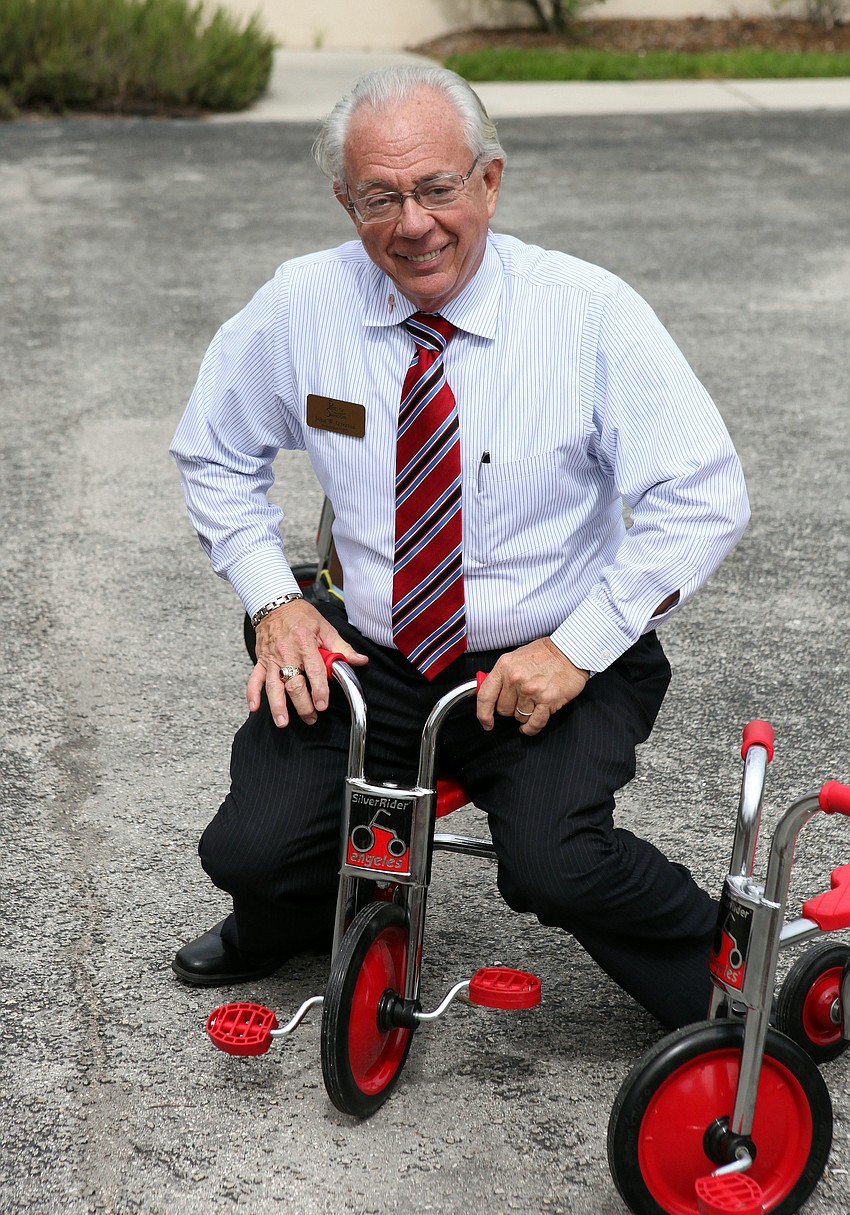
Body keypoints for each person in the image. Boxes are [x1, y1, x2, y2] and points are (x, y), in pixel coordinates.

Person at [169, 64, 749, 1030]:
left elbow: (704, 497)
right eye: (380, 197)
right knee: (250, 852)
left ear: (489, 181)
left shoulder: (588, 312)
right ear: (344, 201)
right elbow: (213, 451)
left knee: (557, 865)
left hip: (558, 651)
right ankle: (294, 915)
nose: (413, 224)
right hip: (375, 650)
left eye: (438, 188)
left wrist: (576, 649)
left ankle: (731, 978)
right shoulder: (300, 304)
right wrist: (276, 600)